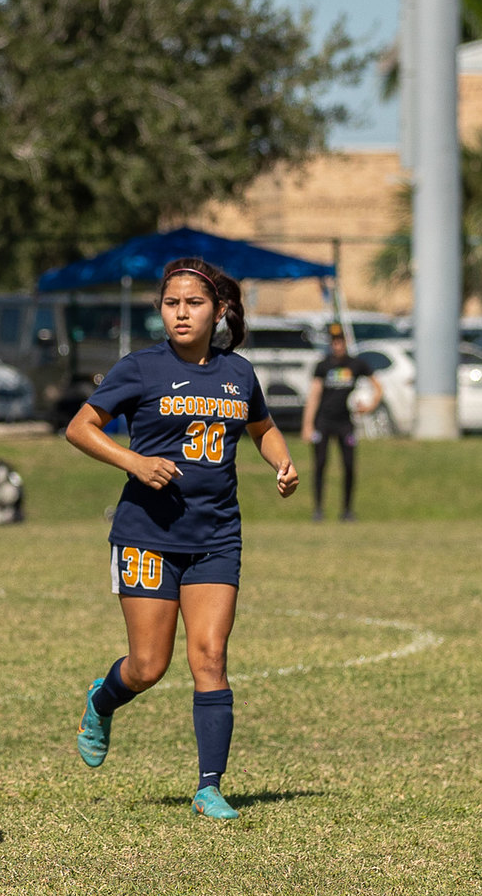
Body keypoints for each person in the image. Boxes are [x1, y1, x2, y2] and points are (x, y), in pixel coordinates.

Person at [63, 257, 298, 822]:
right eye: (172, 305)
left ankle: (209, 787)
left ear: (218, 311)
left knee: (211, 658)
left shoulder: (239, 373)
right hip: (146, 535)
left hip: (217, 537)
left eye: (194, 304)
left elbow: (261, 427)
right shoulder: (140, 368)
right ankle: (102, 700)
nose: (182, 314)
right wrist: (136, 462)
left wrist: (282, 461)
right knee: (148, 666)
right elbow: (81, 428)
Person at [301, 323, 372, 523]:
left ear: (345, 342)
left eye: (340, 340)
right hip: (323, 421)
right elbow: (314, 396)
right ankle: (318, 510)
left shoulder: (356, 365)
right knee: (320, 465)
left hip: (345, 423)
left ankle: (347, 510)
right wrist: (307, 425)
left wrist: (370, 405)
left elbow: (377, 386)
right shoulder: (323, 365)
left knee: (349, 466)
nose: (337, 345)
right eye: (334, 341)